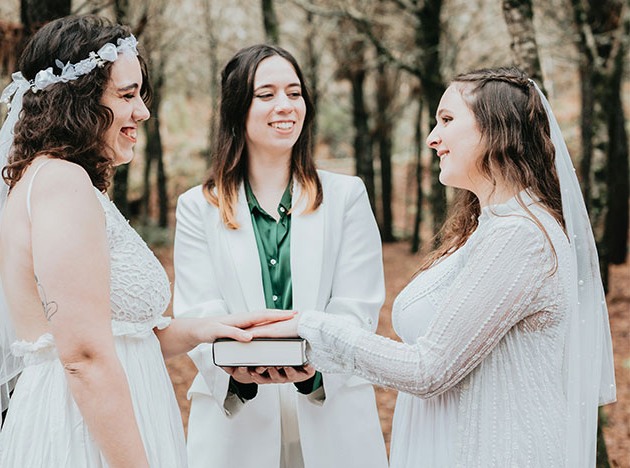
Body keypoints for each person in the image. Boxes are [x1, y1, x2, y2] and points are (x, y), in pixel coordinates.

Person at [0, 16, 291, 468]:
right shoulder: (61, 184)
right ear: (77, 103)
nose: (142, 111)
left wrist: (209, 328)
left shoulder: (63, 183)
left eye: (140, 94)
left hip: (111, 418)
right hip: (84, 435)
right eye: (126, 95)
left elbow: (118, 335)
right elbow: (84, 356)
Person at [251, 67, 616, 467]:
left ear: (496, 130)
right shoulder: (493, 230)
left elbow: (427, 370)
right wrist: (313, 353)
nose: (432, 138)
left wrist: (309, 326)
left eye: (446, 120)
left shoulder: (520, 238)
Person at [173, 44, 388, 468]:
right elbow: (199, 309)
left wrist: (314, 370)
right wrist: (237, 370)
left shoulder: (347, 196)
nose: (285, 106)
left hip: (333, 413)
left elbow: (357, 305)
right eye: (266, 94)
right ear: (237, 108)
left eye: (295, 92)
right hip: (236, 424)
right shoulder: (198, 206)